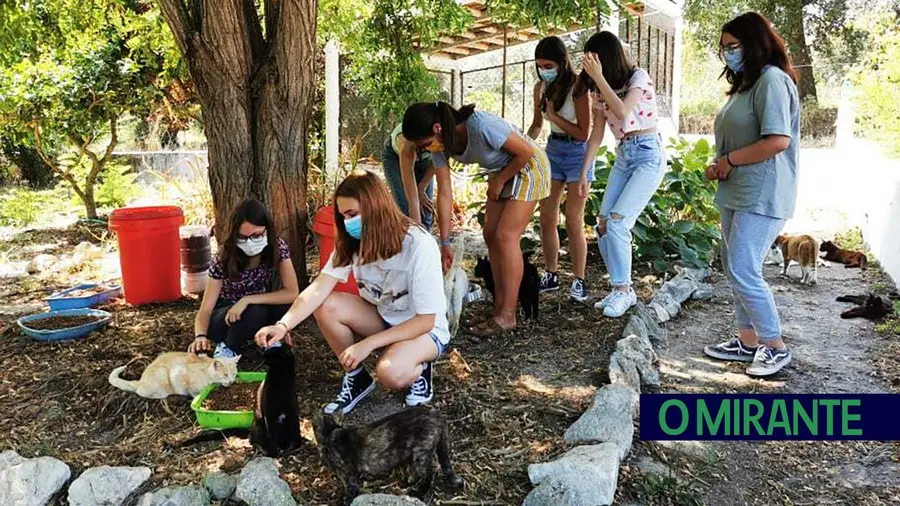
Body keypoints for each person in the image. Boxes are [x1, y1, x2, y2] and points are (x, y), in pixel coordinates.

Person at [255, 170, 450, 414]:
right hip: (385, 318)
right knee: (326, 304)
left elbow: (425, 320)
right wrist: (283, 325)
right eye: (344, 216)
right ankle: (357, 378)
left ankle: (420, 368)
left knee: (390, 374)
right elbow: (318, 289)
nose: (348, 223)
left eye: (353, 214)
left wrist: (368, 344)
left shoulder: (419, 246)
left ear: (375, 207)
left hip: (424, 331)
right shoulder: (353, 243)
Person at [702, 12, 800, 377]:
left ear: (754, 43)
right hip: (737, 188)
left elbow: (777, 141)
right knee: (735, 266)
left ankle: (774, 345)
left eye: (734, 46)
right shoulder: (746, 84)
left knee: (744, 267)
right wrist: (721, 164)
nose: (727, 54)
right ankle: (748, 341)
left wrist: (728, 160)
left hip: (763, 190)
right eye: (724, 48)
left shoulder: (772, 81)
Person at [402, 102, 551, 335]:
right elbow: (444, 192)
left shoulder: (481, 125)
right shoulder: (440, 146)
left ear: (437, 128)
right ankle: (499, 307)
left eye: (424, 144)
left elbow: (526, 152)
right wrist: (445, 242)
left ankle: (508, 315)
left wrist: (500, 180)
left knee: (506, 236)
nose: (423, 149)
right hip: (501, 172)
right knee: (490, 235)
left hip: (529, 167)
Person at [577, 31, 665, 318]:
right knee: (602, 223)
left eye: (594, 60)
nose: (589, 66)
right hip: (625, 154)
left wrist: (599, 78)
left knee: (617, 222)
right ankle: (619, 289)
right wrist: (585, 173)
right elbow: (596, 135)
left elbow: (624, 111)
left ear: (607, 59)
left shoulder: (638, 77)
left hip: (648, 154)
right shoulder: (598, 90)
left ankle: (624, 291)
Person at [188, 199, 299, 357]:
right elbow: (205, 309)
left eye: (257, 235)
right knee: (254, 311)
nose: (250, 242)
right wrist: (200, 336)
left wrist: (247, 299)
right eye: (243, 237)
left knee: (282, 306)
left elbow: (292, 292)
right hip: (225, 317)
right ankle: (229, 347)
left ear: (267, 230)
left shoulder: (277, 247)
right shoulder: (223, 258)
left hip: (256, 305)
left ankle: (268, 336)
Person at [526, 36, 592, 302]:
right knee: (546, 218)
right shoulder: (540, 87)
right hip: (553, 150)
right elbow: (536, 125)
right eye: (540, 65)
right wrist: (523, 143)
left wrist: (554, 116)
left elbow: (583, 134)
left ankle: (579, 279)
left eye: (549, 65)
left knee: (573, 220)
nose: (544, 70)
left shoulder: (578, 88)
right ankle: (551, 274)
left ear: (562, 62)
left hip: (577, 154)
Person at [382, 123, 436, 230]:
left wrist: (421, 189)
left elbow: (436, 163)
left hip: (426, 161)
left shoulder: (443, 136)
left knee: (426, 211)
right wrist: (418, 232)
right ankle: (406, 243)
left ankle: (425, 243)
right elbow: (412, 199)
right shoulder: (405, 143)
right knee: (406, 210)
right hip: (396, 159)